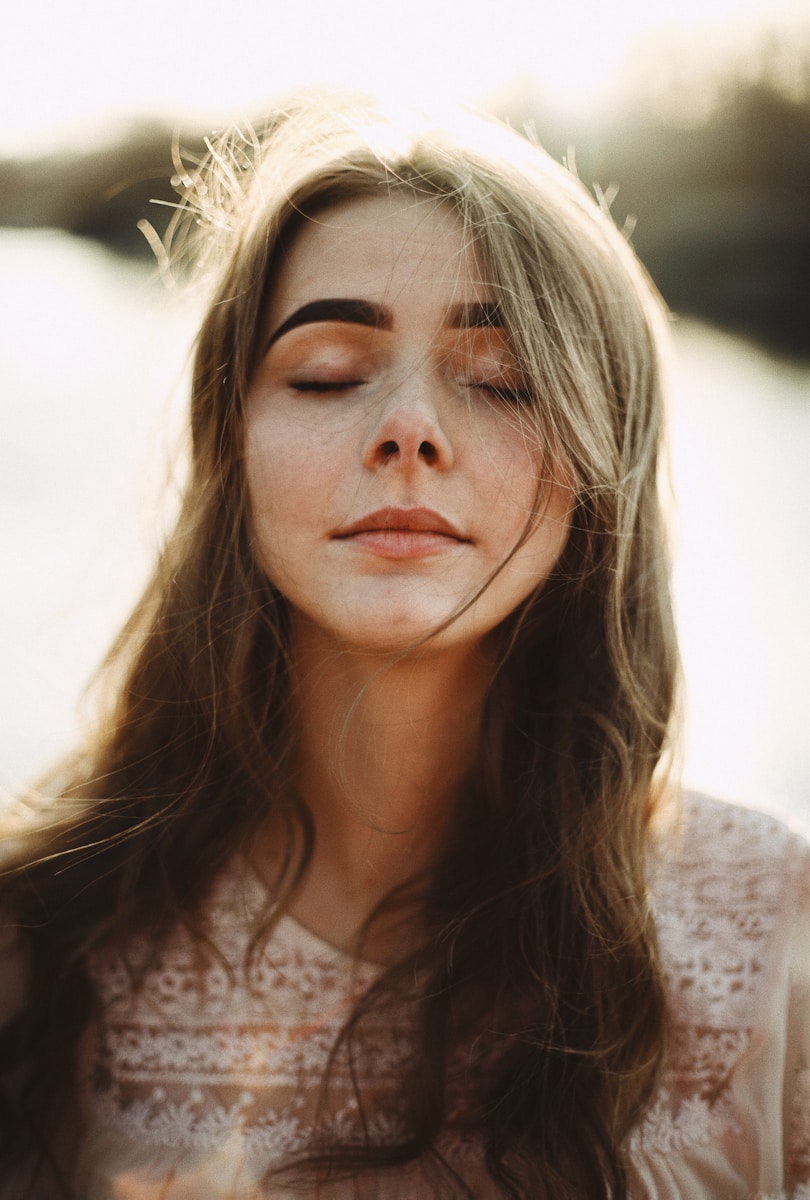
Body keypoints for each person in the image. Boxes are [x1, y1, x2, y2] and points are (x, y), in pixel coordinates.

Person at [0, 92, 807, 1200]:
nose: (411, 429)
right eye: (329, 372)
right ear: (228, 442)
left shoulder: (776, 937)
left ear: (599, 463)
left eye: (502, 380)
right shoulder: (38, 943)